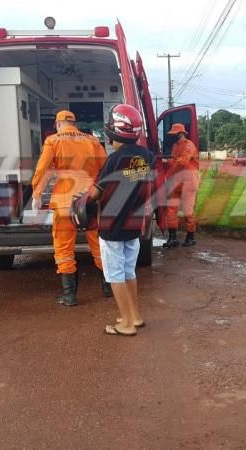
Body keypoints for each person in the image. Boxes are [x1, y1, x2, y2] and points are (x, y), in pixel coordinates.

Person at [86, 104, 155, 336]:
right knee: (129, 271)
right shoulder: (146, 155)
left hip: (112, 225)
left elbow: (96, 192)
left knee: (115, 274)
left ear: (116, 132)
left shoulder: (114, 159)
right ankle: (134, 316)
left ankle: (125, 324)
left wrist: (82, 202)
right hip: (133, 223)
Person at [31, 110, 109, 306]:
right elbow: (106, 167)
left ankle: (69, 295)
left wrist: (36, 195)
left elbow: (43, 169)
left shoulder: (53, 140)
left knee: (64, 248)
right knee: (99, 245)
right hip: (90, 200)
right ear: (74, 124)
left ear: (58, 124)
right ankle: (108, 287)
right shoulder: (91, 140)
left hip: (65, 202)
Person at [164, 123, 200, 247]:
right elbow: (175, 164)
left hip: (188, 182)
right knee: (171, 210)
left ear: (181, 133)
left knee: (188, 211)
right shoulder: (175, 146)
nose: (172, 136)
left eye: (174, 134)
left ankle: (190, 237)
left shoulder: (189, 145)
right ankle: (172, 237)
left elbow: (182, 162)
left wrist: (168, 160)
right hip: (177, 181)